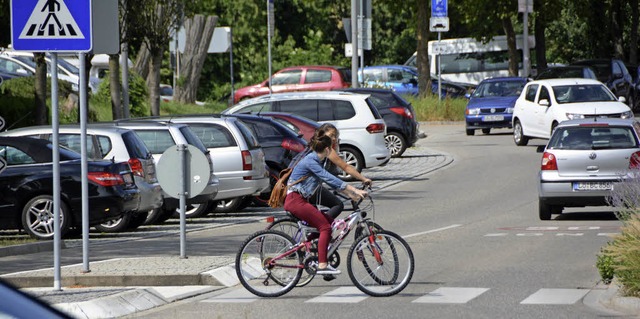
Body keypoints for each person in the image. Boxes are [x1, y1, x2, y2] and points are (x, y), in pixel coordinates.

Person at [284, 134, 368, 275]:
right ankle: (322, 265)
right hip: (295, 200)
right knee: (325, 228)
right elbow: (328, 178)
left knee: (328, 222)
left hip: (299, 199)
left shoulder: (318, 160)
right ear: (328, 149)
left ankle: (306, 246)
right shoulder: (311, 161)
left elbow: (331, 183)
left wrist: (351, 195)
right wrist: (353, 189)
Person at [293, 123, 372, 219]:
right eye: (331, 135)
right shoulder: (327, 150)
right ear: (323, 135)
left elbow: (330, 177)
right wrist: (363, 179)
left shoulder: (318, 147)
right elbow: (345, 167)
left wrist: (347, 192)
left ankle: (320, 229)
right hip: (305, 188)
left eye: (335, 136)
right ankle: (323, 228)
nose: (334, 138)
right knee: (337, 205)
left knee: (321, 212)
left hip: (309, 186)